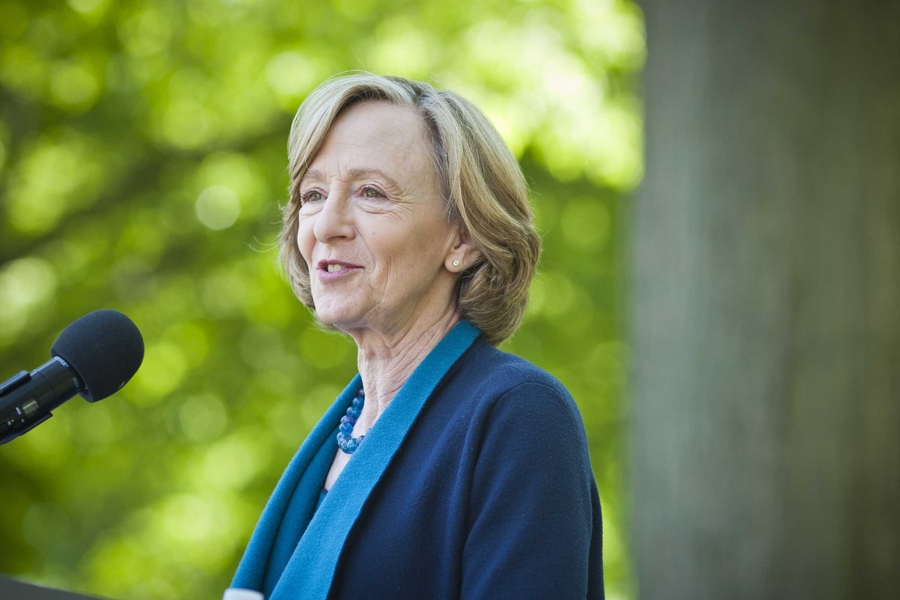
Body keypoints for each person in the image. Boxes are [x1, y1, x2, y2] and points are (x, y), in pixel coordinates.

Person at [230, 73, 604, 599]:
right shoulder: (343, 430)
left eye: (370, 192)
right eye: (313, 194)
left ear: (464, 239)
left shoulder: (519, 415)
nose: (326, 224)